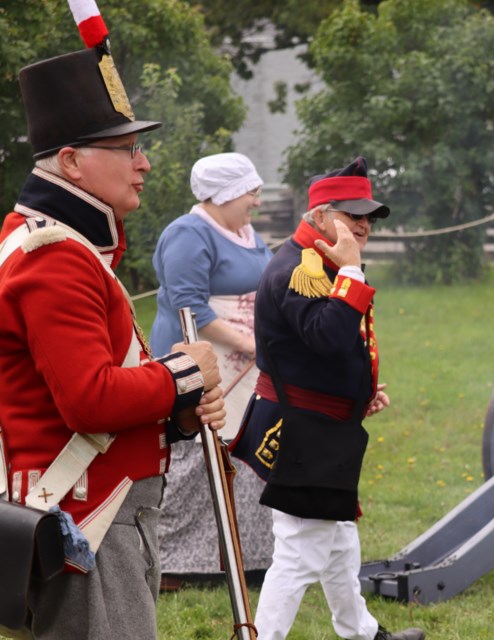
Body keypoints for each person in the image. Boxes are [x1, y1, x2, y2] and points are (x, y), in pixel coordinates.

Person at [0, 45, 225, 639]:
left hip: (99, 507)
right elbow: (89, 400)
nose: (144, 163)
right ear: (71, 162)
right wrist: (186, 372)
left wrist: (176, 412)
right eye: (127, 149)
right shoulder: (55, 258)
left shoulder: (65, 248)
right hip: (85, 518)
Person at [231, 157, 424, 640]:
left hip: (319, 423)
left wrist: (356, 397)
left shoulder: (316, 260)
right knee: (298, 553)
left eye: (368, 216)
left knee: (338, 543)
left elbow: (317, 355)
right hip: (302, 428)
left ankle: (361, 632)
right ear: (319, 216)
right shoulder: (303, 269)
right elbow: (329, 338)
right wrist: (353, 273)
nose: (363, 224)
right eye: (350, 214)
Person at [150, 152, 275, 585]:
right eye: (251, 192)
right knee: (194, 457)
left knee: (241, 452)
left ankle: (244, 558)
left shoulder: (244, 231)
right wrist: (252, 343)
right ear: (225, 194)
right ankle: (173, 564)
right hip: (197, 360)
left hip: (245, 367)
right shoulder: (188, 234)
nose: (256, 202)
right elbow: (189, 305)